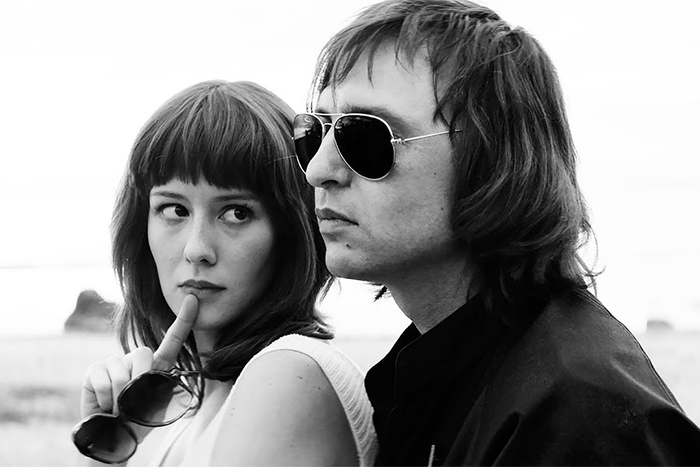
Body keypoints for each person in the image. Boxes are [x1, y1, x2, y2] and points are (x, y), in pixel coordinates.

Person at [292, 0, 700, 465]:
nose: (318, 170)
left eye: (363, 136)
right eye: (315, 132)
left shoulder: (574, 414)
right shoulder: (440, 375)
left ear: (493, 160)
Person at [72, 80, 377, 466]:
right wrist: (109, 447)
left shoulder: (287, 374)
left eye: (236, 213)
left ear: (291, 232)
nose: (196, 248)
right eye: (175, 210)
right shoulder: (191, 405)